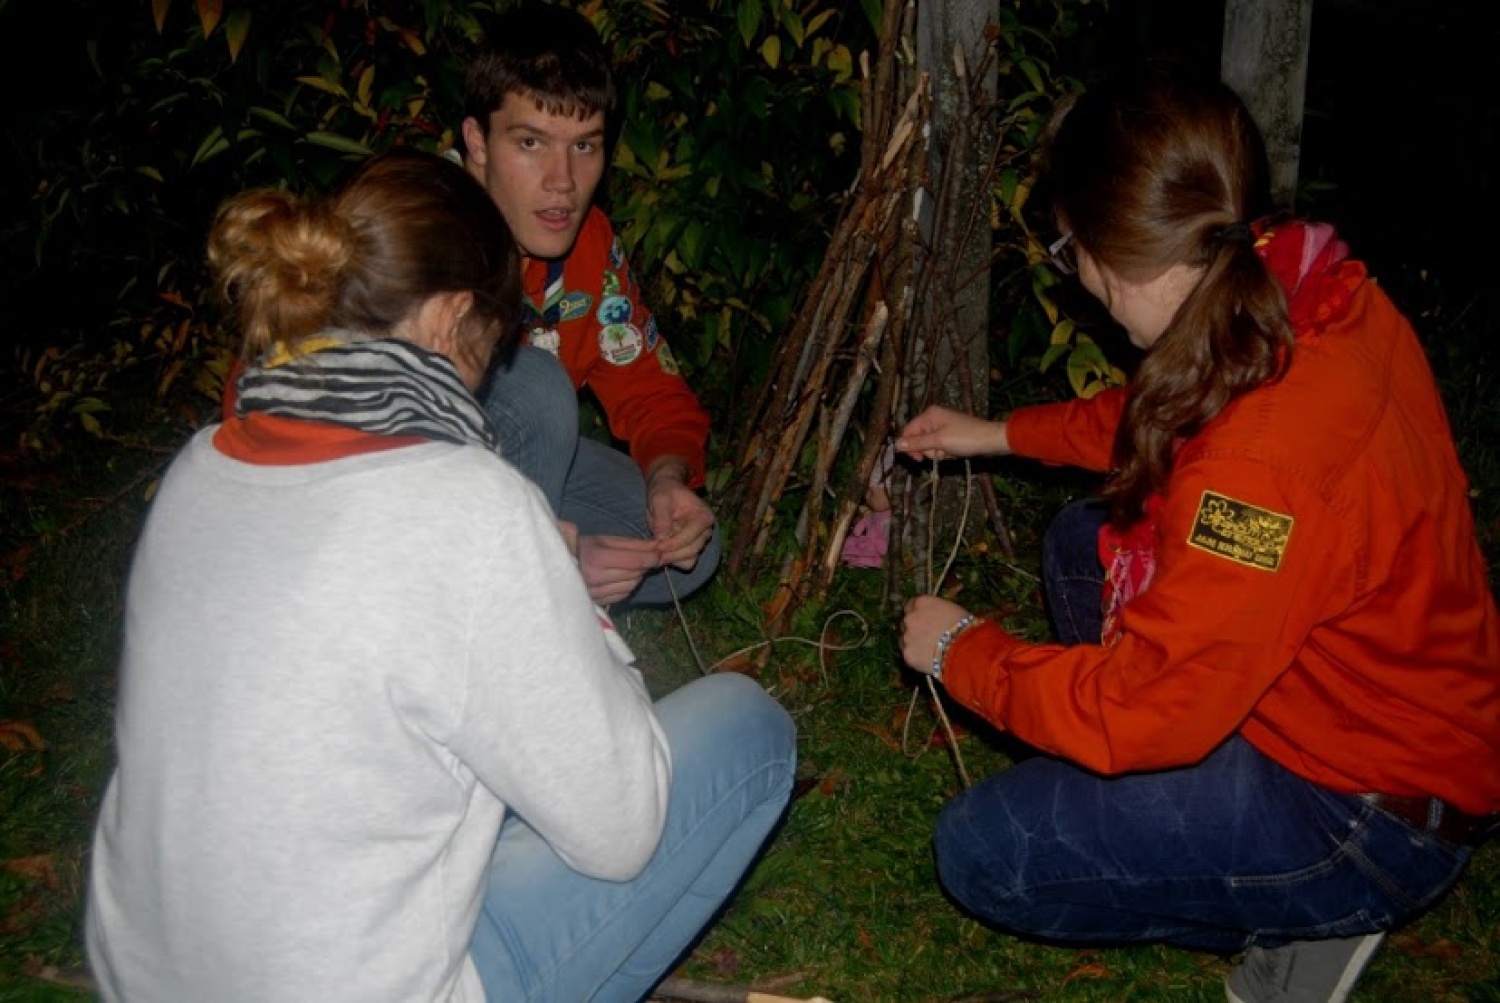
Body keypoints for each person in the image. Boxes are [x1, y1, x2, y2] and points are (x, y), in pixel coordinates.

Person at [84, 149, 796, 1002]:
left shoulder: (202, 464)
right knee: (747, 729)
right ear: (453, 316)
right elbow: (623, 827)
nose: (489, 375)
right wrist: (563, 591)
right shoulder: (470, 507)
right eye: (490, 347)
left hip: (146, 975)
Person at [894, 64, 1500, 1003]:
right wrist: (1000, 433)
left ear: (1112, 250)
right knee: (1079, 541)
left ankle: (1315, 912)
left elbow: (1145, 708)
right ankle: (1195, 816)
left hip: (1371, 810)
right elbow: (1165, 414)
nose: (1078, 278)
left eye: (1070, 249)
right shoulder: (1307, 291)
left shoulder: (1256, 480)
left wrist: (965, 652)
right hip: (1380, 692)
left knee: (984, 851)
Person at [458, 2, 718, 609]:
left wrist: (667, 480)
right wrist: (552, 554)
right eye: (531, 143)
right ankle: (515, 613)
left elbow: (651, 389)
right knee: (539, 386)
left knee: (688, 554)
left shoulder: (588, 246)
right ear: (477, 141)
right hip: (394, 495)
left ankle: (541, 581)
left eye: (584, 147)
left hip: (514, 472)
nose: (562, 182)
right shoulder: (412, 231)